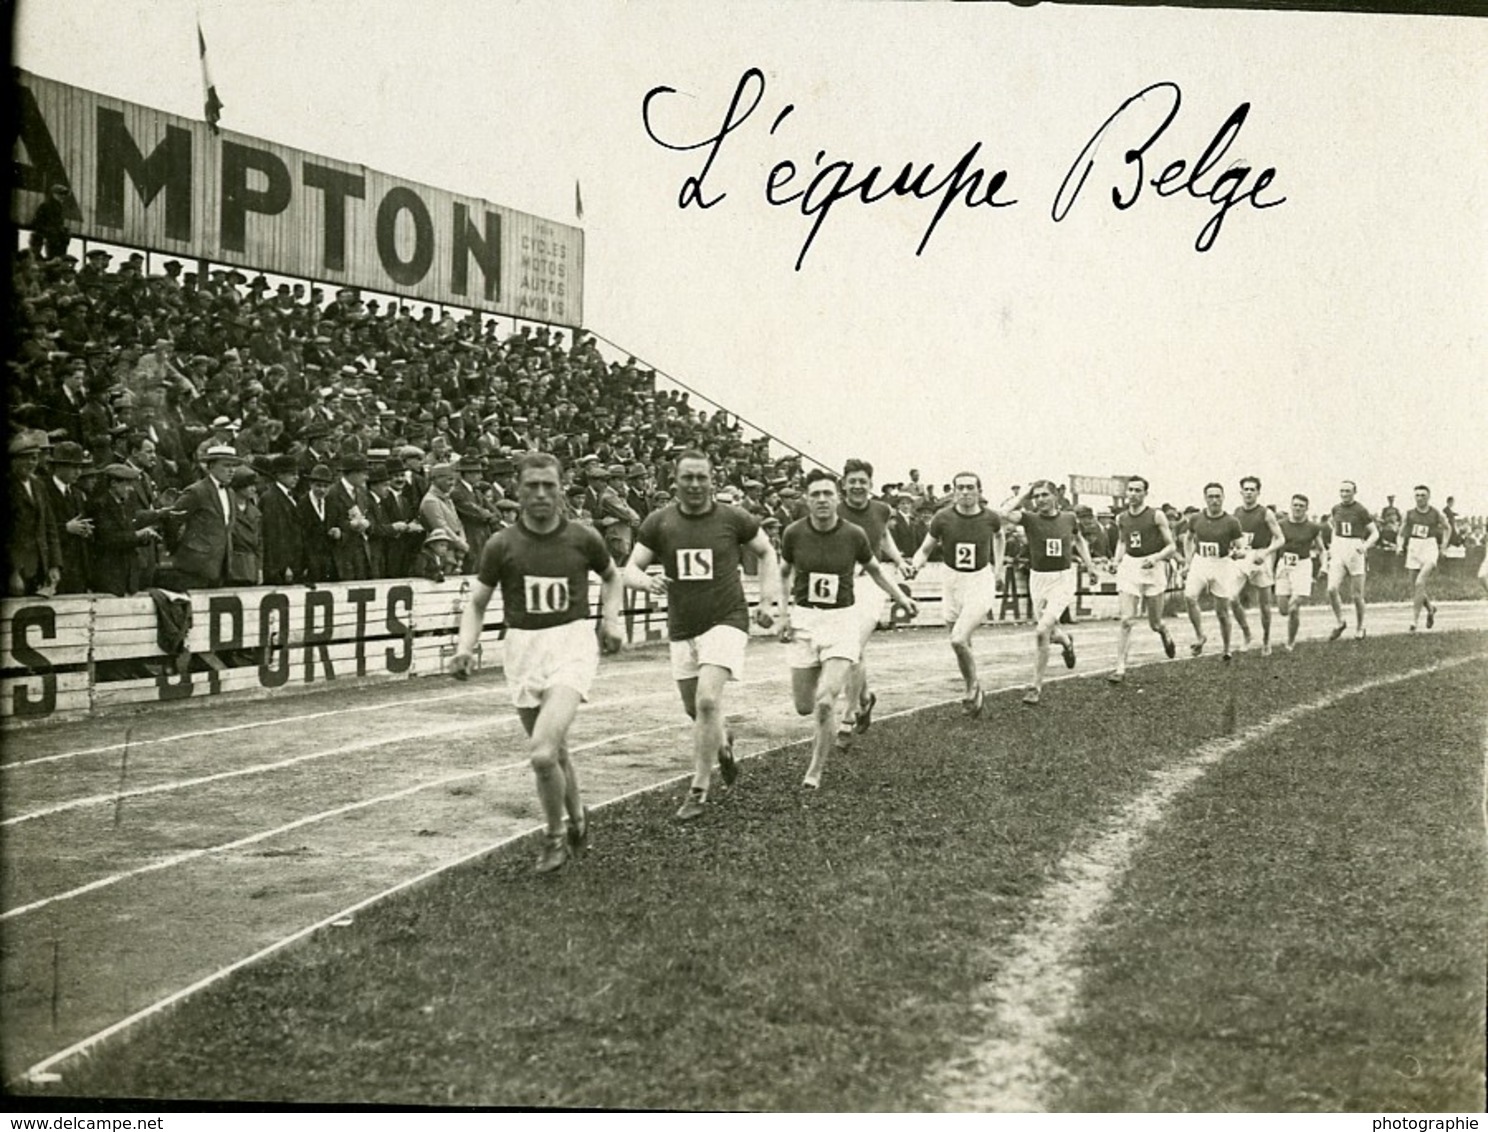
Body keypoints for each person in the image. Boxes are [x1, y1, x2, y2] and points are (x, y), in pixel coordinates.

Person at [451, 453, 624, 873]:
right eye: (532, 486)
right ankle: (578, 816)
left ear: (562, 488)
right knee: (556, 749)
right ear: (518, 490)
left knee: (542, 754)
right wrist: (464, 647)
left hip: (572, 644)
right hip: (523, 649)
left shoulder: (583, 538)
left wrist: (611, 620)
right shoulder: (501, 545)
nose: (542, 494)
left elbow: (612, 577)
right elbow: (477, 602)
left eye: (549, 485)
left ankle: (553, 836)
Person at [625, 449, 782, 821]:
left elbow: (767, 553)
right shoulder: (659, 523)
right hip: (683, 626)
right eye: (687, 478)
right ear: (675, 482)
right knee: (693, 709)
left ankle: (698, 789)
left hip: (727, 618)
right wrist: (648, 582)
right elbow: (629, 568)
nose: (695, 485)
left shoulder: (734, 518)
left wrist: (767, 600)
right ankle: (723, 743)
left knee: (708, 701)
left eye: (702, 478)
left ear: (713, 480)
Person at [779, 470, 917, 788]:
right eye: (816, 494)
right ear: (807, 499)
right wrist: (783, 614)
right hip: (804, 620)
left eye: (828, 494)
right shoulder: (794, 533)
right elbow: (784, 572)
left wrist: (901, 599)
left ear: (837, 498)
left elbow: (876, 570)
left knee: (827, 700)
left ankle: (815, 770)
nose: (823, 500)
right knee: (804, 706)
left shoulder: (854, 534)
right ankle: (854, 706)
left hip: (842, 620)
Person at [908, 471, 1002, 713]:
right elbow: (926, 548)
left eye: (970, 487)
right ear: (953, 491)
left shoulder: (990, 517)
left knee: (958, 638)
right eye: (960, 488)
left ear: (979, 491)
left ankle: (972, 687)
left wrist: (998, 567)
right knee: (961, 641)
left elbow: (999, 537)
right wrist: (915, 565)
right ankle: (974, 687)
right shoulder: (942, 518)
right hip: (952, 580)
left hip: (980, 580)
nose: (965, 492)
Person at [836, 458, 914, 744]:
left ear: (870, 484)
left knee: (852, 647)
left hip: (872, 582)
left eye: (863, 482)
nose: (857, 486)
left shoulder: (881, 509)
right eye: (852, 481)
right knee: (851, 649)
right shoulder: (834, 508)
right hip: (841, 583)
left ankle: (848, 714)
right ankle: (865, 698)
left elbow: (883, 537)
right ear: (843, 484)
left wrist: (899, 560)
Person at [999, 481, 1095, 705]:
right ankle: (1067, 642)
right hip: (1038, 578)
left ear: (1055, 497)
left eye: (1044, 495)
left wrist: (1090, 566)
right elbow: (1004, 514)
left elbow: (1079, 539)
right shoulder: (1030, 518)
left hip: (1062, 578)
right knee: (1049, 632)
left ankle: (1035, 686)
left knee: (1041, 630)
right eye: (1037, 496)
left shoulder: (1069, 517)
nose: (1040, 499)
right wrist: (1024, 493)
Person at [1106, 475, 1178, 683]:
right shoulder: (1121, 518)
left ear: (1145, 493)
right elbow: (1122, 542)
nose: (1134, 494)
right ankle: (1120, 667)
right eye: (1131, 490)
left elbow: (1171, 547)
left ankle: (1164, 632)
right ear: (1126, 493)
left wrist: (1155, 558)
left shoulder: (1156, 516)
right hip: (1130, 566)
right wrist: (1115, 560)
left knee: (1154, 623)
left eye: (1138, 490)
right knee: (1127, 619)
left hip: (1153, 567)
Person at [1182, 482, 1245, 660]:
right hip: (1200, 561)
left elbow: (1241, 547)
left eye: (1218, 496)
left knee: (1222, 611)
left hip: (1222, 564)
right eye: (1211, 496)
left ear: (1223, 498)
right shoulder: (1196, 519)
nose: (1214, 500)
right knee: (1189, 596)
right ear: (1205, 498)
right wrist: (1188, 562)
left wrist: (1238, 553)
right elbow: (1188, 539)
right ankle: (1200, 635)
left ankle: (1226, 649)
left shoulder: (1231, 522)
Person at [168, 445, 241, 589]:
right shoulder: (197, 491)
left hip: (221, 566)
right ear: (211, 466)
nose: (232, 470)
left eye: (234, 466)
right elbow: (172, 520)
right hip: (195, 567)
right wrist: (180, 550)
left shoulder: (230, 493)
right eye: (226, 465)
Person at [87, 463, 165, 596]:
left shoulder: (125, 505)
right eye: (127, 484)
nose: (131, 489)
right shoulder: (100, 506)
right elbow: (109, 538)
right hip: (109, 574)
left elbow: (128, 534)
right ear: (113, 484)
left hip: (127, 574)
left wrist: (144, 537)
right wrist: (137, 535)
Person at [1229, 475, 1285, 656]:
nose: (1249, 492)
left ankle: (1266, 640)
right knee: (1231, 597)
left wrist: (1266, 552)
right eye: (1246, 489)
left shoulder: (1266, 513)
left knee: (1264, 604)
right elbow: (1234, 539)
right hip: (1244, 555)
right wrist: (1235, 551)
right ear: (1241, 492)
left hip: (1261, 556)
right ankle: (1247, 633)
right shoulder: (1236, 512)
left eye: (1252, 489)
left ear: (1258, 492)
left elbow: (1280, 539)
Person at [8, 432, 64, 597]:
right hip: (16, 572)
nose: (31, 462)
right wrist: (13, 571)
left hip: (39, 568)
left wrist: (54, 565)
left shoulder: (38, 485)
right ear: (14, 461)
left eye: (34, 458)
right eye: (25, 458)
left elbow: (50, 527)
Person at [1326, 480, 1379, 640]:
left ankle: (1360, 626)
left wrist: (1365, 546)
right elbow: (1334, 526)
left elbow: (1375, 533)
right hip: (1339, 548)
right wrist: (1332, 546)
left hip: (1355, 549)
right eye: (1342, 491)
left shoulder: (1361, 510)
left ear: (1354, 492)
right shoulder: (1336, 508)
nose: (1344, 494)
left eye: (1348, 491)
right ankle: (1340, 622)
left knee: (1356, 595)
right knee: (1331, 589)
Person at [1274, 493, 1327, 651]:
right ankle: (1291, 632)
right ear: (1291, 506)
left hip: (1303, 565)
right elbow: (1273, 546)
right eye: (1295, 505)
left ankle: (1290, 642)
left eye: (1301, 506)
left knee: (1294, 605)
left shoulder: (1313, 527)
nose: (1298, 508)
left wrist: (1324, 566)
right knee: (1284, 609)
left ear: (1306, 509)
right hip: (1284, 564)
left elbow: (1322, 549)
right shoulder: (1281, 525)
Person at [40, 441, 94, 594]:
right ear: (58, 467)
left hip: (76, 569)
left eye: (80, 467)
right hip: (53, 567)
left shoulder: (76, 494)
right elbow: (39, 527)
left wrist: (86, 530)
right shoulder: (43, 489)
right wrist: (65, 528)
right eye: (73, 467)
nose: (78, 472)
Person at [1398, 484, 1448, 632]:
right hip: (1414, 547)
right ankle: (1431, 609)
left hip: (1430, 546)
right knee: (1415, 586)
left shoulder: (1435, 513)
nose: (1420, 498)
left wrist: (1443, 546)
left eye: (1423, 495)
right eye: (1417, 495)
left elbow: (1447, 528)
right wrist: (1400, 546)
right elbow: (1401, 533)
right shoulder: (1408, 514)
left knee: (1420, 583)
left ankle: (1414, 621)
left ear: (1428, 497)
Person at [260, 454, 304, 586]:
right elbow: (275, 536)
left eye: (297, 473)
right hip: (280, 567)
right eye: (292, 474)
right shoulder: (271, 499)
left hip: (293, 563)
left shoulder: (291, 496)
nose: (296, 477)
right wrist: (285, 566)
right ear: (279, 475)